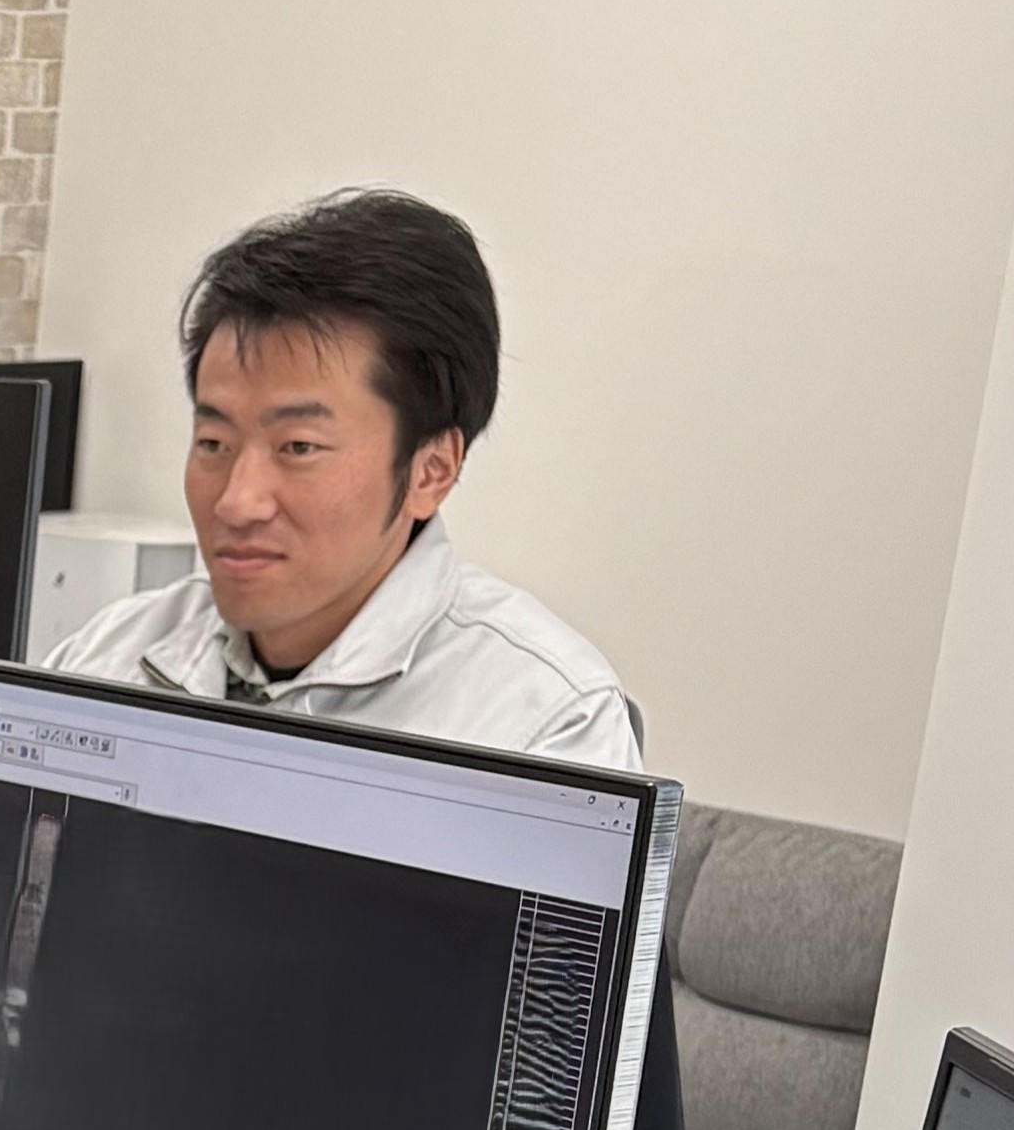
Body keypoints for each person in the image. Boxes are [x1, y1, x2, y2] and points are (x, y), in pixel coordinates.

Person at [50, 189, 639, 768]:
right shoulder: (107, 656)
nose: (237, 502)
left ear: (431, 471)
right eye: (213, 443)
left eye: (299, 447)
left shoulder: (545, 722)